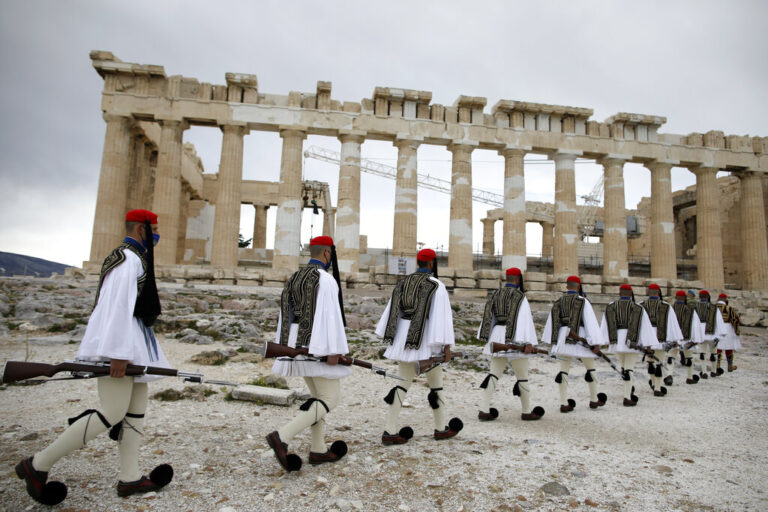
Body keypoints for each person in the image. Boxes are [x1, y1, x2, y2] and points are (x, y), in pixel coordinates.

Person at [15, 209, 173, 506]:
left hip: (135, 344)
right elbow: (115, 307)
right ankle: (37, 464)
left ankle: (130, 477)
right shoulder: (127, 259)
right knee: (113, 412)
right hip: (121, 347)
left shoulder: (134, 258)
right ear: (141, 229)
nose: (157, 237)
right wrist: (117, 354)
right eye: (154, 230)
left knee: (136, 408)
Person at [266, 236, 350, 472]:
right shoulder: (326, 279)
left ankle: (318, 449)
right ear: (326, 254)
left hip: (297, 344)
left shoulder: (295, 277)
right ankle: (282, 436)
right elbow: (331, 318)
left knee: (317, 397)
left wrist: (288, 346)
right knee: (330, 399)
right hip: (319, 345)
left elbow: (286, 315)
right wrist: (335, 351)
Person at [375, 248, 463, 445]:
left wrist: (393, 337)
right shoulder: (436, 285)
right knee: (436, 386)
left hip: (403, 339)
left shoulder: (403, 283)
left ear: (418, 263)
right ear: (432, 263)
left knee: (402, 383)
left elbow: (392, 313)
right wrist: (447, 347)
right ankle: (440, 428)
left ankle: (389, 430)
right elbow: (442, 318)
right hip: (427, 341)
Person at [476, 268, 545, 421]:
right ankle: (526, 411)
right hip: (516, 337)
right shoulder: (520, 296)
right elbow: (525, 320)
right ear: (517, 280)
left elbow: (489, 317)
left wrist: (488, 336)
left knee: (493, 374)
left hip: (497, 334)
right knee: (522, 377)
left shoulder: (496, 294)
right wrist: (528, 342)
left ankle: (484, 408)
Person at [542, 275, 607, 413]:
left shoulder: (559, 301)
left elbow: (553, 321)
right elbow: (590, 322)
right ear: (578, 286)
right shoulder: (583, 301)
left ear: (567, 286)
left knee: (564, 370)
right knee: (591, 368)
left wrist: (553, 341)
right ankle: (594, 399)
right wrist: (595, 342)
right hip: (581, 335)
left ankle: (563, 402)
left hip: (563, 337)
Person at [601, 284, 657, 406]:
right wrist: (648, 346)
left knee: (623, 367)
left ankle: (628, 389)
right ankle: (627, 397)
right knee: (629, 368)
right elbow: (645, 328)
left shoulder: (611, 307)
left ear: (619, 294)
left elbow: (605, 325)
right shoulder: (638, 308)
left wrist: (605, 341)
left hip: (617, 341)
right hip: (633, 341)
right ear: (631, 294)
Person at [640, 284, 683, 397]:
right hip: (661, 338)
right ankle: (657, 388)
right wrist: (675, 339)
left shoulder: (641, 305)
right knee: (659, 362)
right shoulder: (666, 306)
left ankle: (654, 382)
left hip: (647, 338)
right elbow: (672, 323)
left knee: (650, 362)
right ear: (658, 293)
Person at [672, 290, 705, 384]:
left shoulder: (670, 308)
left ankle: (669, 375)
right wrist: (696, 339)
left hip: (674, 338)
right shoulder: (690, 310)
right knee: (689, 357)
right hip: (686, 337)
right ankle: (689, 377)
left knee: (671, 357)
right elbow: (694, 325)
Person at [695, 290, 728, 379]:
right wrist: (721, 333)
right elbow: (719, 321)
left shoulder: (695, 307)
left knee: (702, 352)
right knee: (713, 353)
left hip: (700, 334)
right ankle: (713, 371)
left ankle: (704, 371)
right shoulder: (714, 308)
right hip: (712, 333)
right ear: (708, 297)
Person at [715, 293, 741, 373]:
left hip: (716, 328)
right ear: (726, 300)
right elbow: (735, 319)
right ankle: (730, 365)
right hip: (727, 328)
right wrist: (737, 330)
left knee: (718, 347)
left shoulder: (713, 307)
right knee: (729, 347)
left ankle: (717, 364)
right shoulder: (729, 308)